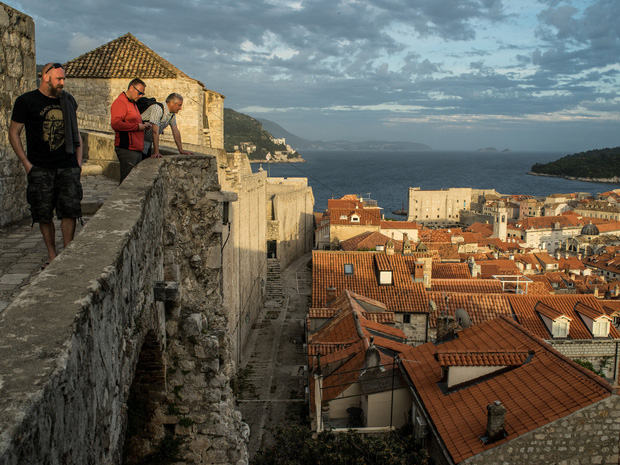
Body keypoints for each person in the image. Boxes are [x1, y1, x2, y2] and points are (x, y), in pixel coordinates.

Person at [9, 62, 83, 267]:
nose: (62, 83)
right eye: (59, 79)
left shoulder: (68, 101)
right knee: (43, 212)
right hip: (40, 166)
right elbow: (13, 132)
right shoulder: (26, 102)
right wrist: (26, 163)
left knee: (70, 210)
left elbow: (76, 133)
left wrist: (78, 161)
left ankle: (67, 253)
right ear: (45, 77)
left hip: (67, 164)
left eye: (63, 79)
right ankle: (52, 254)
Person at [110, 78, 151, 183]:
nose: (141, 96)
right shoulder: (121, 102)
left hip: (136, 149)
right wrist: (138, 127)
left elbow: (132, 122)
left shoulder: (132, 103)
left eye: (142, 93)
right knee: (127, 182)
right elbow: (116, 124)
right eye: (140, 92)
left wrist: (143, 126)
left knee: (133, 181)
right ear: (132, 88)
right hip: (127, 148)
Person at [141, 93, 193, 158]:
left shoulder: (171, 115)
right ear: (171, 103)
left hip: (146, 144)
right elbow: (155, 131)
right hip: (137, 141)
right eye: (179, 105)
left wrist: (181, 150)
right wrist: (156, 152)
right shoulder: (158, 109)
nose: (180, 108)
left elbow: (175, 131)